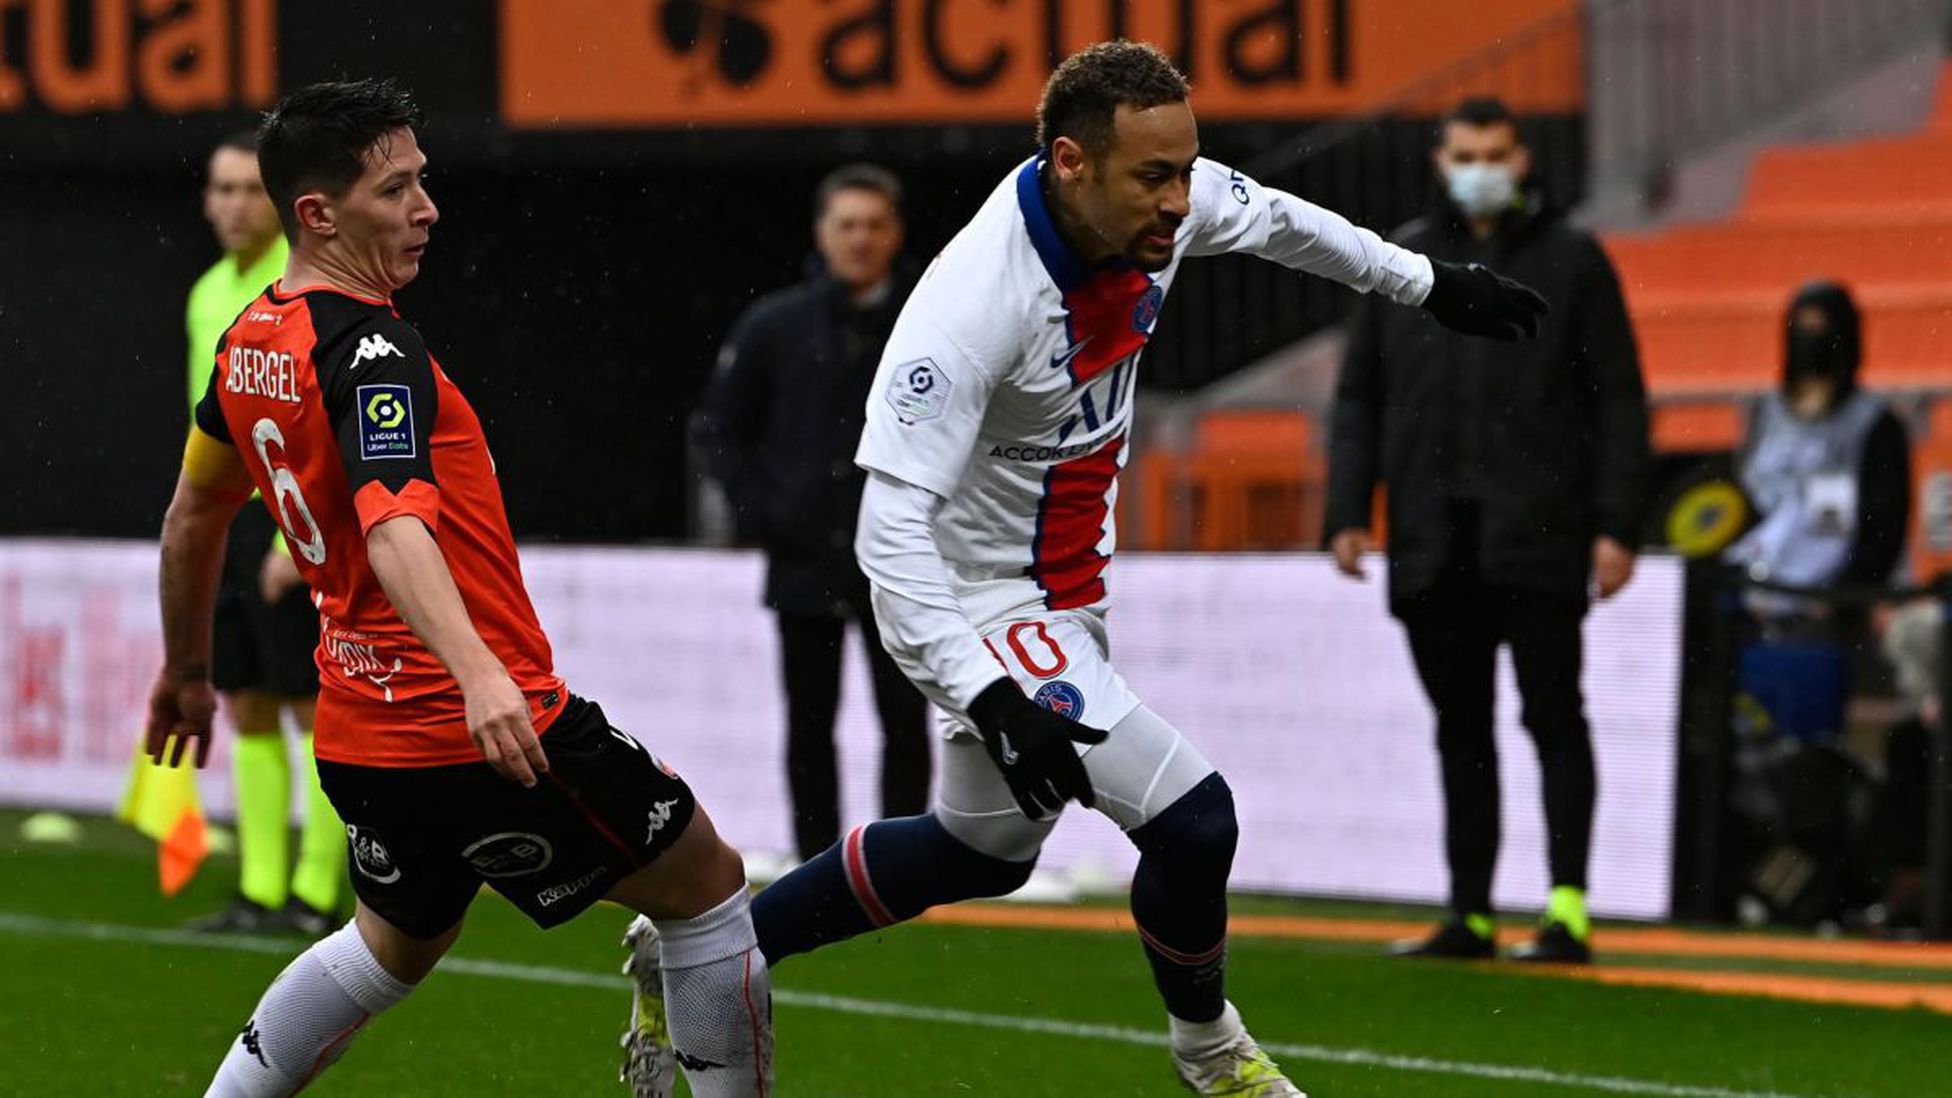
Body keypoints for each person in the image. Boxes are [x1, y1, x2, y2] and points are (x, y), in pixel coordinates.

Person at [624, 42, 1544, 1098]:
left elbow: (1284, 219)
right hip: (988, 604)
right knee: (1195, 821)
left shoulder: (1162, 203)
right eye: (1153, 177)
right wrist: (987, 692)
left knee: (980, 855)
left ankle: (694, 944)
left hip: (1066, 591)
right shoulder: (969, 305)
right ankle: (1210, 1051)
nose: (1179, 201)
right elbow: (886, 539)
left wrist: (1424, 285)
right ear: (1069, 162)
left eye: (1186, 170)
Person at [145, 79, 772, 1098]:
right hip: (474, 727)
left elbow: (191, 515)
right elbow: (394, 523)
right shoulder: (375, 346)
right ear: (318, 213)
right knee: (707, 892)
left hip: (362, 734)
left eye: (422, 180)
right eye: (395, 190)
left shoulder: (250, 337)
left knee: (388, 948)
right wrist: (481, 676)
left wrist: (183, 669)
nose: (425, 207)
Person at [1324, 97, 1649, 966]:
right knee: (1459, 727)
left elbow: (1617, 397)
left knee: (1553, 717)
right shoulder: (1400, 258)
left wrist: (1620, 523)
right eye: (1466, 152)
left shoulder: (1573, 259)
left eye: (1496, 152)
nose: (1482, 167)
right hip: (1435, 535)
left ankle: (1566, 911)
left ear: (1522, 156)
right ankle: (1468, 911)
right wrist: (1349, 510)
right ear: (1440, 157)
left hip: (1539, 532)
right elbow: (1361, 394)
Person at [692, 164, 931, 864]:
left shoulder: (929, 320)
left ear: (897, 233)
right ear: (823, 234)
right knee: (808, 724)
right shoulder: (775, 325)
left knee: (907, 718)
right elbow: (719, 431)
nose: (860, 240)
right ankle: (816, 863)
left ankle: (903, 864)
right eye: (847, 225)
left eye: (874, 225)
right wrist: (765, 510)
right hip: (804, 557)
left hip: (901, 559)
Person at [183, 131, 347, 937]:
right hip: (233, 524)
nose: (234, 204)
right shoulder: (209, 292)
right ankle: (257, 887)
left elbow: (319, 428)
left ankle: (315, 895)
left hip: (292, 520)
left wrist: (293, 539)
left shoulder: (300, 288)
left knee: (311, 708)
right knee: (245, 700)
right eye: (221, 189)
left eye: (249, 188)